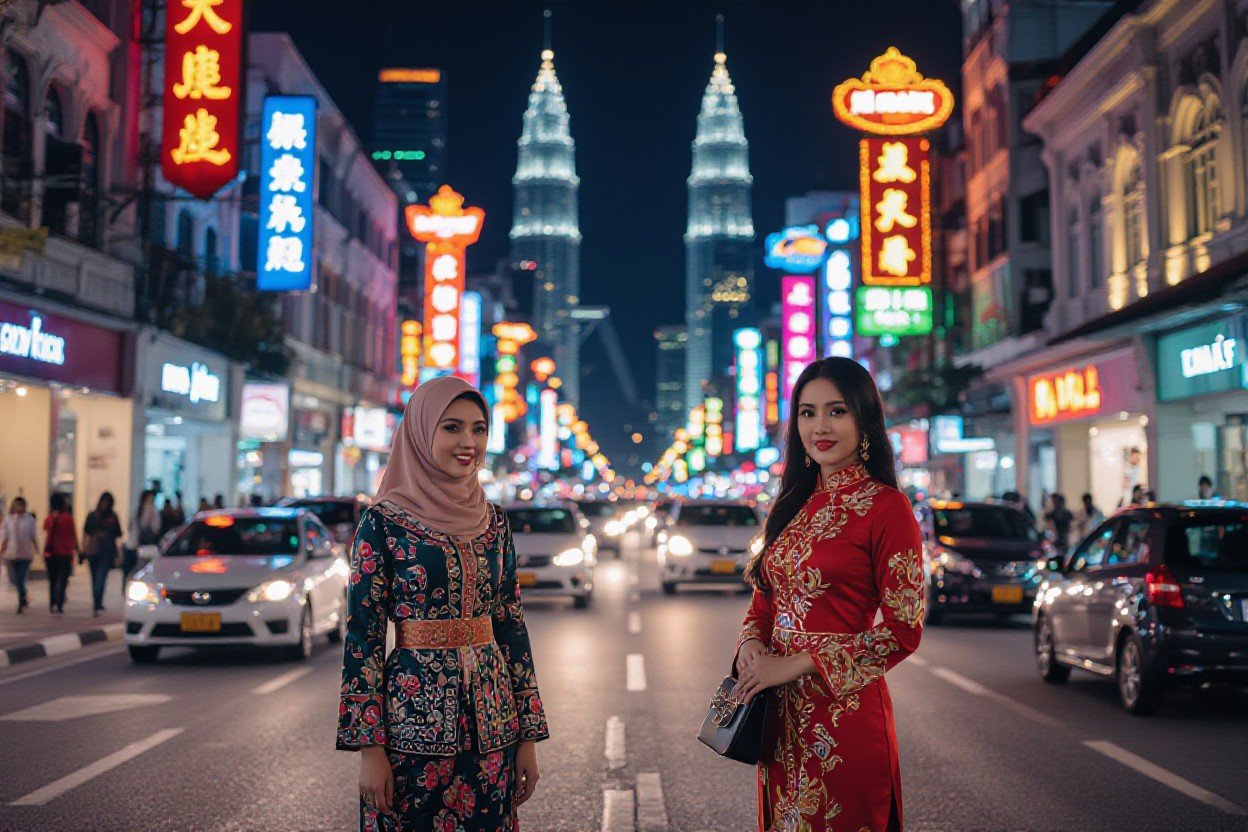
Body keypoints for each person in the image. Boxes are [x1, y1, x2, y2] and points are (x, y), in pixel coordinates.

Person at [337, 376, 548, 831]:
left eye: (478, 429)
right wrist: (370, 749)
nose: (467, 442)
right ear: (421, 431)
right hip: (412, 727)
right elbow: (363, 637)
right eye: (451, 428)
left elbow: (511, 625)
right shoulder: (384, 521)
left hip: (494, 725)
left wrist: (528, 736)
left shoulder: (494, 521)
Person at [732, 358, 923, 832]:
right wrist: (751, 644)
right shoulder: (793, 504)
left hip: (845, 718)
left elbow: (904, 633)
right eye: (807, 412)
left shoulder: (887, 508)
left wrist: (799, 662)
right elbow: (765, 600)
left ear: (864, 421)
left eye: (836, 411)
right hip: (778, 718)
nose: (820, 426)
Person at [83, 492, 123, 616]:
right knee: (99, 577)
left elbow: (86, 532)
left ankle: (97, 603)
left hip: (96, 550)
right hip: (105, 550)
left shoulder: (92, 515)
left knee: (97, 577)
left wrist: (84, 547)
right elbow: (118, 534)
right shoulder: (112, 517)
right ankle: (97, 603)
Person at [1, 497, 39, 613]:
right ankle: (23, 596)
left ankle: (21, 600)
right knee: (14, 579)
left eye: (21, 505)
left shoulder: (29, 520)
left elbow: (33, 536)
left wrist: (37, 549)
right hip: (11, 553)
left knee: (21, 578)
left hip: (24, 554)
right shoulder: (8, 519)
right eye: (17, 505)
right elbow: (5, 536)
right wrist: (2, 549)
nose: (19, 507)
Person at [122, 490, 160, 599]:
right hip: (146, 545)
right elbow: (156, 527)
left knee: (134, 569)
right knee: (144, 570)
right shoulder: (152, 510)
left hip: (134, 544)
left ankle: (128, 589)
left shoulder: (137, 509)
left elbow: (131, 527)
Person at [43, 493, 77, 613]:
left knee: (52, 579)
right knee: (63, 579)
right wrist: (77, 549)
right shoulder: (68, 518)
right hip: (65, 552)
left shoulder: (48, 518)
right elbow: (73, 535)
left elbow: (45, 531)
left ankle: (52, 602)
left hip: (51, 553)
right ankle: (60, 604)